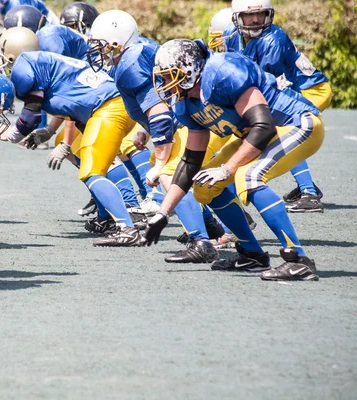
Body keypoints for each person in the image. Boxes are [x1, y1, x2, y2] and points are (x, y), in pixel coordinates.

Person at [147, 39, 324, 281]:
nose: (166, 83)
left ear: (190, 69)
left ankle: (298, 259)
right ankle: (252, 254)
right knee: (204, 186)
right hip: (254, 134)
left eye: (170, 75)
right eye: (164, 76)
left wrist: (227, 168)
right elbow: (190, 162)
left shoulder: (223, 72)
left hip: (295, 123)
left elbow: (264, 126)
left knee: (248, 176)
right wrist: (163, 213)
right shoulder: (185, 104)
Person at [85, 10, 223, 263]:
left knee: (169, 176)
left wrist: (159, 162)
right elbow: (159, 98)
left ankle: (201, 240)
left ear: (118, 42)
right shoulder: (138, 50)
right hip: (187, 121)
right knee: (183, 178)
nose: (98, 51)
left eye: (101, 45)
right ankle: (213, 227)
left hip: (187, 125)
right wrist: (144, 130)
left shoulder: (129, 64)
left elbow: (160, 113)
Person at [0, 27, 144, 246]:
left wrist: (12, 135)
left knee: (92, 170)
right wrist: (48, 132)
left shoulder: (25, 64)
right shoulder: (47, 61)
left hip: (107, 108)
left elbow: (31, 115)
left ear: (11, 55)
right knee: (93, 161)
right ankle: (113, 217)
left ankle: (128, 224)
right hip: (107, 107)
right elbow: (73, 101)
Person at [224, 0, 331, 213]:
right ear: (236, 18)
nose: (255, 20)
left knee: (282, 132)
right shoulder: (231, 34)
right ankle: (307, 188)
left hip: (310, 89)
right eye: (248, 16)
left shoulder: (273, 40)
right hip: (280, 88)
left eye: (260, 14)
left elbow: (261, 85)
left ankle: (308, 193)